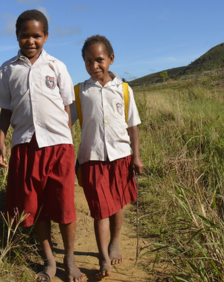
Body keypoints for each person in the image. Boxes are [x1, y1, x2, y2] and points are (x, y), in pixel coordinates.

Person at [0, 9, 85, 282]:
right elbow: (5, 110)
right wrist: (1, 142)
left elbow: (68, 105)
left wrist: (66, 137)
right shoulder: (8, 69)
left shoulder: (57, 65)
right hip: (24, 145)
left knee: (65, 204)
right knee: (36, 205)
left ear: (46, 36)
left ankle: (69, 257)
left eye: (37, 35)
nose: (31, 41)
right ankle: (49, 261)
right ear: (17, 37)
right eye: (25, 36)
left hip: (58, 145)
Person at [71, 35, 143, 279]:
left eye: (99, 60)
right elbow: (64, 121)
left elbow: (132, 125)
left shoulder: (123, 89)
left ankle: (114, 243)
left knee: (117, 204)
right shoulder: (79, 92)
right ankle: (103, 256)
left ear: (111, 59)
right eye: (88, 61)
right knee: (100, 210)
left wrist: (137, 156)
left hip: (121, 156)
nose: (94, 66)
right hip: (92, 159)